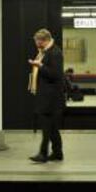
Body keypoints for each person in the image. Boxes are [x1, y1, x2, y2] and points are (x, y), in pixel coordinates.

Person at [28, 28, 65, 163]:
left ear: (44, 40)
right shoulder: (45, 52)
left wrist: (40, 66)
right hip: (48, 97)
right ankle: (57, 153)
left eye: (37, 41)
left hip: (51, 98)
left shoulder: (55, 53)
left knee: (47, 127)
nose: (36, 44)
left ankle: (43, 153)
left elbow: (56, 74)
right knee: (53, 128)